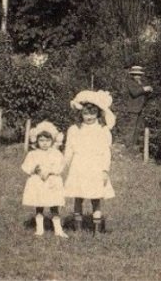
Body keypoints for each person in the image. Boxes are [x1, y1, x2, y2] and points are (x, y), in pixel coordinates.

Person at [64, 90, 116, 235]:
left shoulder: (102, 130)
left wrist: (105, 170)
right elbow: (69, 149)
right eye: (86, 113)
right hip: (79, 165)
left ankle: (97, 230)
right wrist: (65, 165)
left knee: (96, 196)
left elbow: (106, 152)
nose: (89, 117)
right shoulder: (74, 129)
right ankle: (78, 229)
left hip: (95, 166)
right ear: (80, 113)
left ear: (98, 114)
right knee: (78, 196)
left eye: (92, 113)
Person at [20, 121, 68, 238]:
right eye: (41, 141)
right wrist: (34, 169)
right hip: (38, 182)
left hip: (52, 181)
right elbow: (27, 166)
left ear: (52, 141)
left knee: (54, 205)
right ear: (37, 141)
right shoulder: (33, 154)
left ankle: (58, 229)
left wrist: (50, 171)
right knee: (39, 205)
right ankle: (40, 228)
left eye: (47, 141)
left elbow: (60, 166)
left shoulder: (56, 153)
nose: (44, 144)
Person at [114, 65, 153, 148]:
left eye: (139, 75)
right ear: (132, 75)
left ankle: (134, 145)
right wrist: (144, 89)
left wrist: (149, 91)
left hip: (141, 107)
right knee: (131, 127)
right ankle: (128, 145)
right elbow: (134, 93)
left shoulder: (142, 83)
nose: (137, 76)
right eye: (136, 74)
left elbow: (145, 95)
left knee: (138, 127)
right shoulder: (130, 82)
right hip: (133, 108)